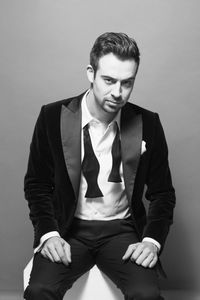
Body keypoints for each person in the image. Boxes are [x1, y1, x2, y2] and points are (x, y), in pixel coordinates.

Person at [24, 32, 176, 300]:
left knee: (147, 294)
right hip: (70, 229)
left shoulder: (148, 123)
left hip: (123, 230)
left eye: (127, 83)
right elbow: (37, 185)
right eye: (109, 80)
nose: (117, 93)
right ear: (91, 73)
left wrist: (151, 242)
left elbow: (163, 194)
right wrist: (48, 234)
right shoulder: (51, 116)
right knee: (39, 291)